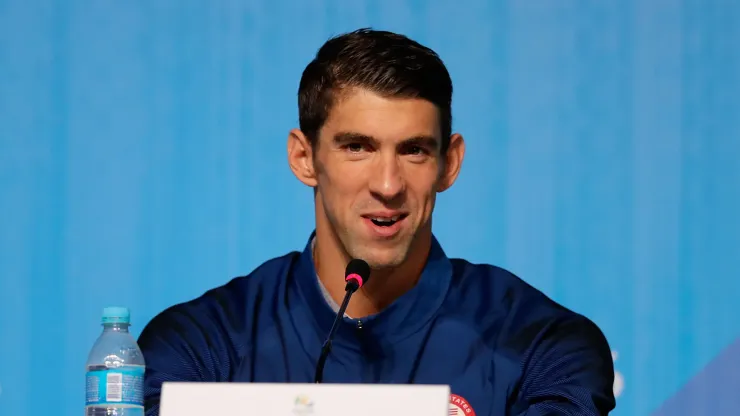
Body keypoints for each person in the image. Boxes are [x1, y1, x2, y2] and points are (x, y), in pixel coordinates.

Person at [138, 28, 616, 416]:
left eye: (413, 150)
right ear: (304, 158)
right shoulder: (200, 347)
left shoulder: (541, 347)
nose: (388, 184)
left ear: (449, 164)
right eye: (357, 147)